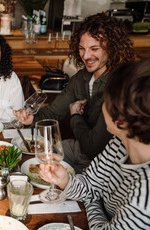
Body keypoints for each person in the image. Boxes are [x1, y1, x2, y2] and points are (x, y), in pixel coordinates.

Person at [39, 58, 150, 230]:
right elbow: (90, 185)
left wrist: (93, 200)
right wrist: (66, 180)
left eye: (106, 100)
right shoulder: (119, 142)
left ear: (120, 121)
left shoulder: (144, 199)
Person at [15, 13, 135, 173]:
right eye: (81, 49)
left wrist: (75, 116)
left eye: (94, 49)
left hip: (105, 168)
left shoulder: (118, 85)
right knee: (28, 165)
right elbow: (53, 111)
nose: (86, 56)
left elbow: (93, 148)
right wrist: (32, 118)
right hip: (77, 150)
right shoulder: (81, 78)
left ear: (111, 48)